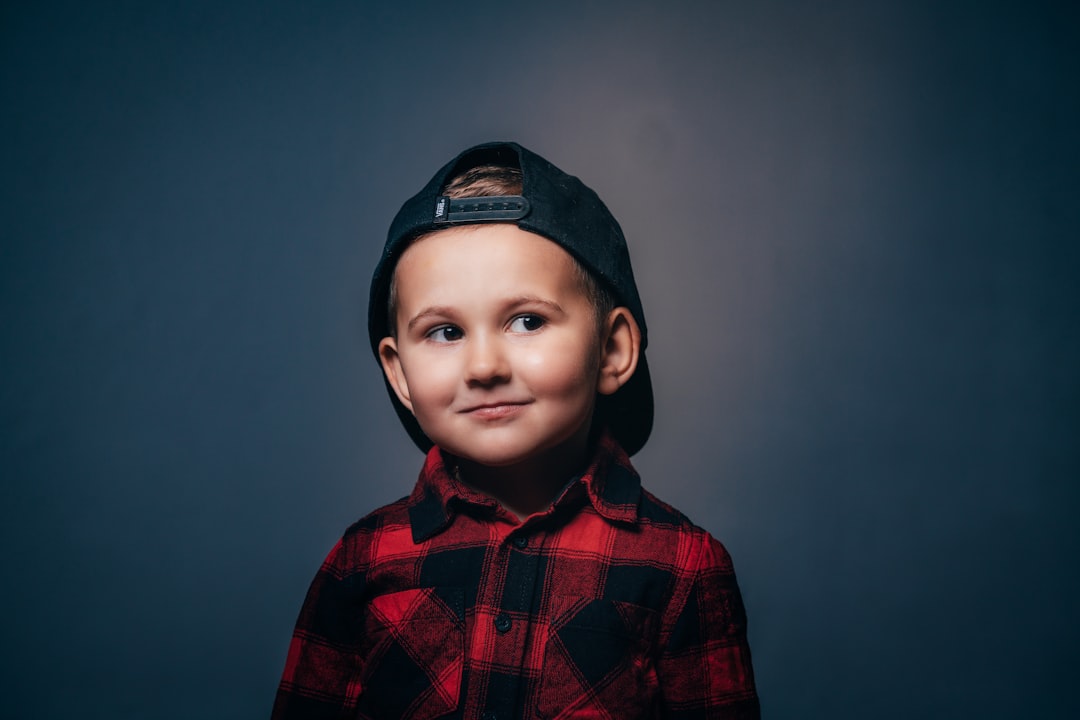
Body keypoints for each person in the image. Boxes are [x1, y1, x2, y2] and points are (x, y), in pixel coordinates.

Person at [271, 141, 759, 719]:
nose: (483, 368)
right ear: (399, 372)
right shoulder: (362, 561)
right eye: (445, 332)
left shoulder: (682, 567)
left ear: (613, 349)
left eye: (526, 321)